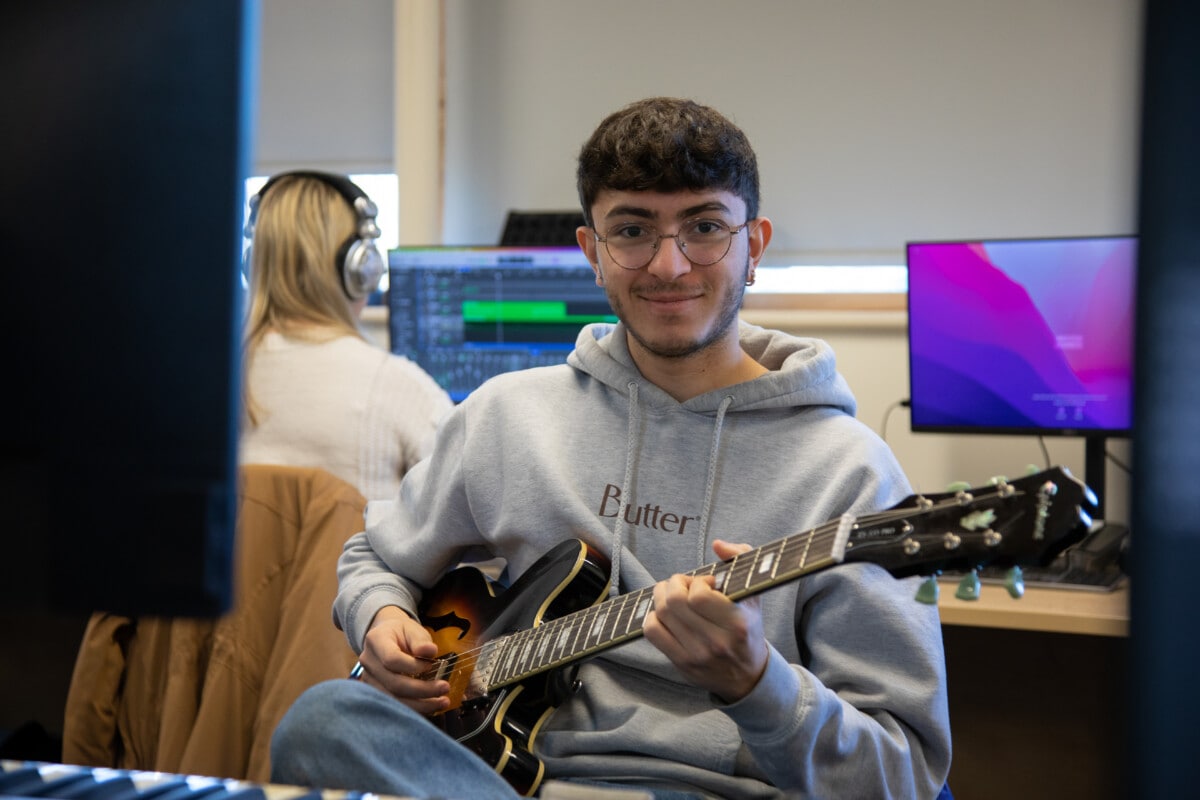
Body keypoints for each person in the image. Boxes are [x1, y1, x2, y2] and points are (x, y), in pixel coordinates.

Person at [270, 99, 952, 799]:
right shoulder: (509, 415)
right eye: (632, 231)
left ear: (755, 246)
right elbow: (375, 554)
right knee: (322, 721)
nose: (668, 263)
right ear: (593, 251)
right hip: (503, 780)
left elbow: (902, 776)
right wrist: (380, 615)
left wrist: (758, 683)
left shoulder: (852, 473)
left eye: (705, 227)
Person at [239, 171, 452, 501]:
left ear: (253, 264)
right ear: (359, 269)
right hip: (349, 555)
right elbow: (469, 513)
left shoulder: (206, 383)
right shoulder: (400, 388)